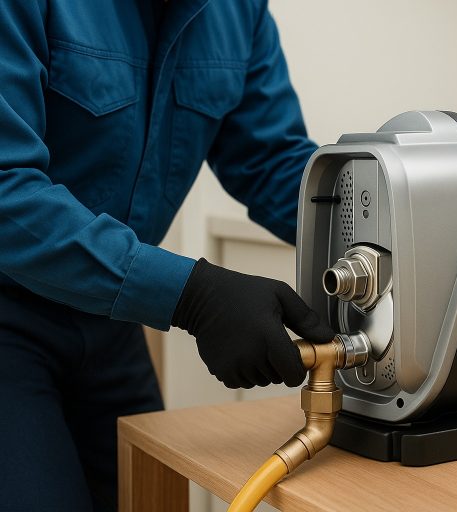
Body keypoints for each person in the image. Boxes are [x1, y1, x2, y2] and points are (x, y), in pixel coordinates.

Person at [0, 1, 335, 510]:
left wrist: (392, 222)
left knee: (151, 497)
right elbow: (6, 189)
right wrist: (193, 295)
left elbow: (271, 162)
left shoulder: (238, 11)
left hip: (108, 321)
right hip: (9, 313)